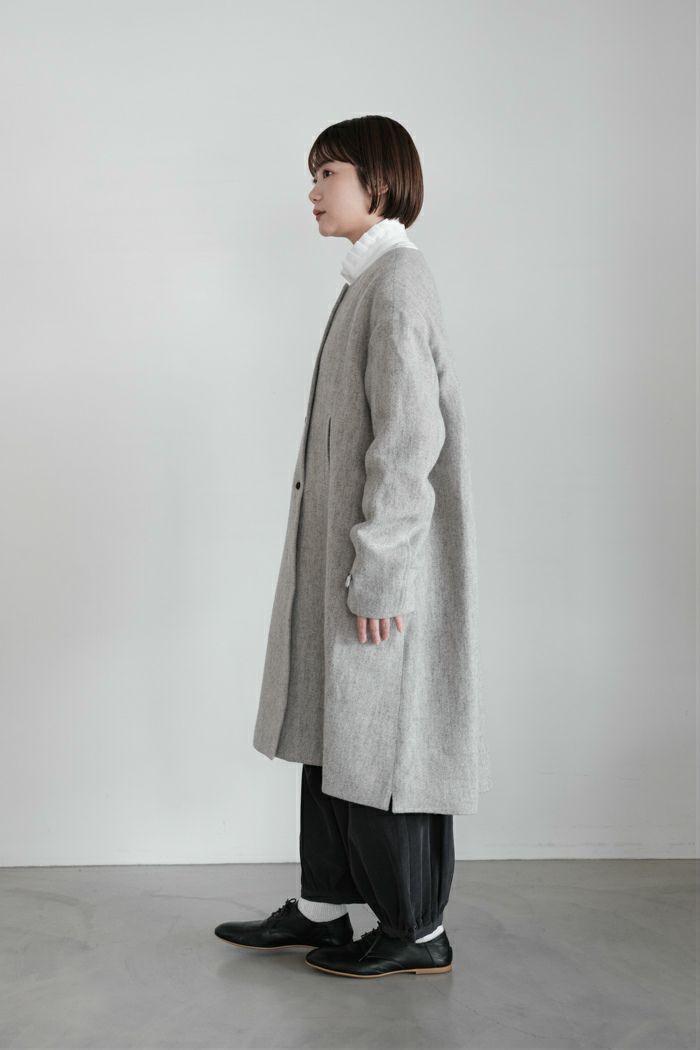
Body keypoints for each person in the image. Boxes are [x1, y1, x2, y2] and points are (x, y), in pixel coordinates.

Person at [215, 115, 492, 978]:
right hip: (345, 565)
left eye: (326, 172)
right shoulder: (367, 280)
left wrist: (381, 574)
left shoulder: (398, 283)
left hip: (378, 574)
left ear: (378, 180)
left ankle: (417, 930)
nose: (311, 191)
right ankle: (324, 910)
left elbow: (408, 442)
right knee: (335, 736)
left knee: (385, 747)